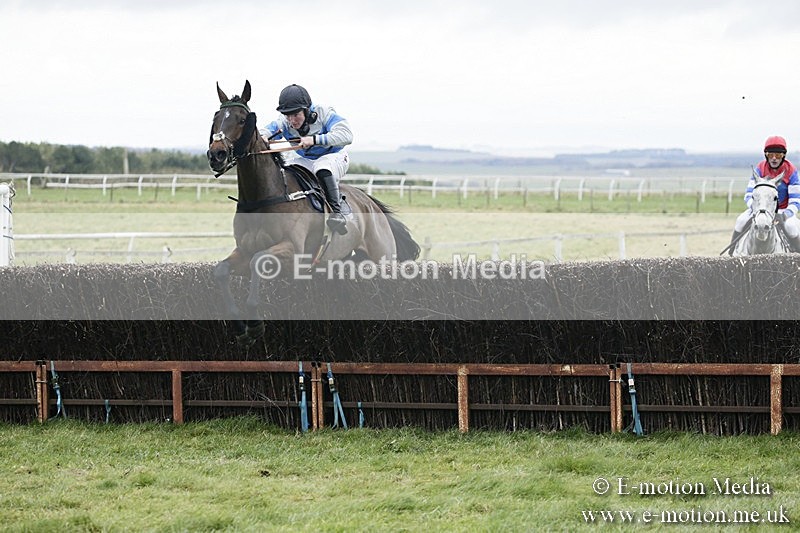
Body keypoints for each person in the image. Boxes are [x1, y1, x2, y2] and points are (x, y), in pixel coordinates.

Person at [261, 84, 353, 234]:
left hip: (335, 156)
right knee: (288, 172)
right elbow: (265, 131)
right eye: (288, 115)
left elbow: (347, 135)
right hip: (306, 160)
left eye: (296, 115)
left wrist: (315, 140)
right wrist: (263, 136)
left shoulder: (324, 113)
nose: (292, 121)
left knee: (322, 168)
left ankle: (338, 212)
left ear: (306, 110)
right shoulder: (284, 121)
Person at [729, 135, 800, 253]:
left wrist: (785, 215)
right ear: (765, 155)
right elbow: (748, 195)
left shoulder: (791, 170)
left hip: (783, 210)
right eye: (770, 155)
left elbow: (796, 200)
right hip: (759, 209)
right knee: (740, 221)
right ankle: (731, 254)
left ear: (783, 156)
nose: (774, 158)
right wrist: (755, 209)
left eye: (778, 155)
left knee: (791, 227)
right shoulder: (760, 168)